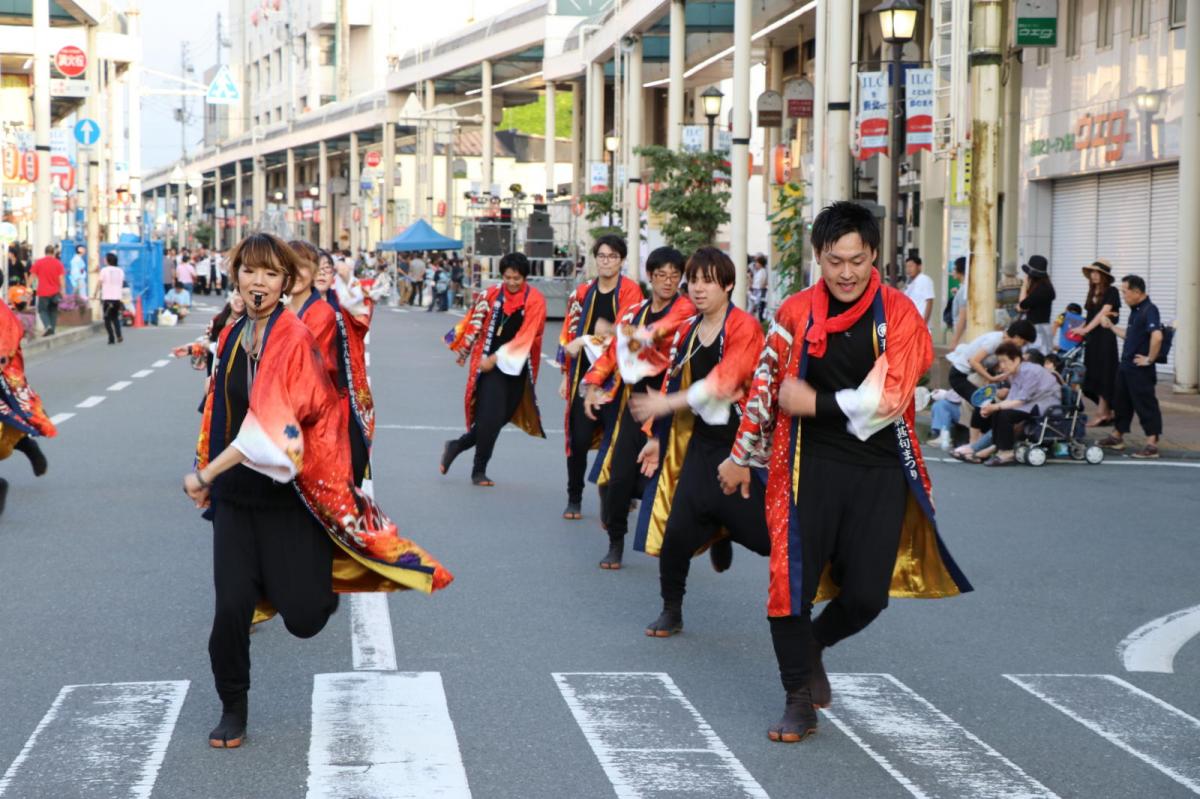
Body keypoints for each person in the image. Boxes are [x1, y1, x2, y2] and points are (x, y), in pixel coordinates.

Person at [183, 232, 452, 750]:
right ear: (235, 275)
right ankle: (232, 706)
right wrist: (207, 476)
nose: (257, 281)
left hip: (290, 498)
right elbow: (219, 411)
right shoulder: (236, 333)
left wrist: (206, 473)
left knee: (305, 618)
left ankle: (317, 580)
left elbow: (272, 424)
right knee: (230, 609)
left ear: (285, 283)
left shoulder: (295, 337)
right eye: (249, 271)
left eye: (269, 273)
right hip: (238, 500)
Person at [717, 201, 972, 743]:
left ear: (874, 255)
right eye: (835, 260)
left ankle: (813, 643)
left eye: (857, 259)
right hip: (805, 465)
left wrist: (816, 402)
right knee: (791, 585)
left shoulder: (900, 314)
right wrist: (740, 457)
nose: (847, 272)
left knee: (867, 596)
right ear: (818, 258)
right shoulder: (793, 312)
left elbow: (892, 396)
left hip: (879, 467)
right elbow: (765, 385)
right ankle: (796, 700)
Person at [628, 246, 769, 638]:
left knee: (765, 539)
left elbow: (728, 378)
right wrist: (656, 437)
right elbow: (673, 380)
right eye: (695, 280)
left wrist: (667, 401)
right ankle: (671, 610)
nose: (698, 288)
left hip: (742, 450)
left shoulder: (744, 327)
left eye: (708, 281)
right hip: (701, 445)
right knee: (675, 534)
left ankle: (723, 531)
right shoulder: (689, 329)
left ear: (727, 285)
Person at [580, 246, 694, 570]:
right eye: (661, 275)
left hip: (673, 405)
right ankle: (616, 541)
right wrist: (592, 385)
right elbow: (611, 354)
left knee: (678, 482)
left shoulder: (685, 312)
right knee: (618, 477)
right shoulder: (633, 314)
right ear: (650, 277)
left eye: (674, 276)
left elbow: (657, 339)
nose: (668, 282)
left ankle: (699, 542)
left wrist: (627, 336)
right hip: (635, 404)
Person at [557, 235, 644, 520]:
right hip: (585, 379)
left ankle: (621, 493)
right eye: (602, 256)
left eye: (613, 256)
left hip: (618, 382)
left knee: (619, 442)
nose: (607, 261)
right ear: (595, 258)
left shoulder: (631, 292)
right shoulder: (583, 292)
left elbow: (625, 335)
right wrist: (564, 376)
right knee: (579, 440)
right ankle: (574, 497)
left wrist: (584, 340)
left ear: (621, 260)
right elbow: (569, 333)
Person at [441, 252, 547, 486]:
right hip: (490, 367)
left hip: (518, 366)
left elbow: (527, 336)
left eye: (516, 278)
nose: (511, 282)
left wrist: (498, 358)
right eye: (507, 277)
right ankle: (479, 470)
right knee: (490, 418)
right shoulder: (490, 295)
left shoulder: (535, 300)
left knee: (500, 418)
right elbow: (473, 320)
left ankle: (458, 445)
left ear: (525, 277)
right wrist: (463, 348)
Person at [316, 249, 376, 487]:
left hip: (347, 390)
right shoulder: (294, 306)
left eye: (327, 268)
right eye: (316, 268)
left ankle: (350, 509)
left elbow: (364, 313)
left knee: (357, 454)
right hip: (314, 396)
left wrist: (348, 279)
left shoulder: (342, 303)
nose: (322, 273)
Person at [1097, 274, 1164, 459]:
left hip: (1140, 369)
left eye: (1125, 292)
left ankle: (1152, 444)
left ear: (1136, 292)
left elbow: (1157, 336)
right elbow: (1130, 335)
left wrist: (1149, 359)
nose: (1123, 296)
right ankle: (1117, 436)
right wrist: (1110, 326)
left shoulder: (1150, 310)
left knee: (1145, 404)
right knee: (1121, 402)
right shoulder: (1136, 311)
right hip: (1126, 366)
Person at [0, 296, 56, 512]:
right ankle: (26, 443)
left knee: (14, 419)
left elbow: (6, 347)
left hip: (5, 379)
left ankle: (27, 440)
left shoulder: (4, 314)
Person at [944, 320, 1037, 448]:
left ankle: (979, 442)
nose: (1022, 346)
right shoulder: (995, 340)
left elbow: (990, 365)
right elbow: (974, 361)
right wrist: (991, 378)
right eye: (1024, 342)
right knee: (982, 402)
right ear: (1017, 337)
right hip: (959, 376)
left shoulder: (1003, 343)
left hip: (970, 375)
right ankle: (973, 444)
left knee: (989, 405)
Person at [978, 343, 1062, 466]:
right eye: (1000, 362)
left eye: (1004, 361)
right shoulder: (1015, 374)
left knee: (1004, 414)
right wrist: (990, 408)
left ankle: (1006, 452)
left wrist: (996, 406)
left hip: (1046, 406)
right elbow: (1012, 398)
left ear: (1016, 359)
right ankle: (998, 447)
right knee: (998, 411)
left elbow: (1020, 400)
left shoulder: (1030, 371)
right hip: (1031, 403)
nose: (1001, 366)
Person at [1072, 259, 1120, 427]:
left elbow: (1103, 314)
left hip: (1105, 338)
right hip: (1093, 339)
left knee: (1105, 373)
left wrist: (1086, 330)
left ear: (1104, 276)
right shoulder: (1092, 291)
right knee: (1092, 375)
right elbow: (1091, 316)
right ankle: (1106, 411)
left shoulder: (1112, 291)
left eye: (1097, 272)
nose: (1093, 275)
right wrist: (1080, 328)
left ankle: (1103, 413)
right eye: (1092, 272)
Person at [287, 241, 340, 391]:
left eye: (302, 266)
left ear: (314, 272)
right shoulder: (276, 308)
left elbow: (309, 369)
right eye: (290, 265)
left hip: (308, 403)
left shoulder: (322, 313)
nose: (295, 273)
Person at [1017, 255, 1056, 353]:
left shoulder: (1041, 290)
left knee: (1035, 359)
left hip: (1036, 330)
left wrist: (1024, 286)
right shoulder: (1046, 288)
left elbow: (1022, 305)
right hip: (1041, 328)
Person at [29, 245, 66, 336]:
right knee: (53, 311)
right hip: (55, 292)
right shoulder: (58, 263)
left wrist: (27, 287)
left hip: (43, 292)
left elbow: (32, 276)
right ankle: (52, 330)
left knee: (42, 310)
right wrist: (63, 291)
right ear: (53, 253)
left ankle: (48, 326)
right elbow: (61, 279)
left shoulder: (39, 263)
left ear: (45, 252)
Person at [94, 252, 125, 345]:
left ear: (108, 260)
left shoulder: (104, 270)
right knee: (115, 318)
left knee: (107, 319)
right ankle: (119, 335)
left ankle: (111, 337)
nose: (104, 260)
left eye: (105, 258)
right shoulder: (120, 271)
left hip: (107, 298)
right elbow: (122, 283)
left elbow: (99, 283)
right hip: (117, 298)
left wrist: (95, 293)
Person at [903, 255, 935, 326]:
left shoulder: (924, 280)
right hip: (910, 324)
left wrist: (924, 323)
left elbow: (929, 301)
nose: (908, 269)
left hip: (920, 325)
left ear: (919, 267)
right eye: (907, 267)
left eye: (911, 266)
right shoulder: (909, 283)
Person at [948, 257, 969, 347]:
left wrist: (955, 340)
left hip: (963, 333)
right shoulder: (964, 288)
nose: (953, 271)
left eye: (954, 268)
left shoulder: (963, 290)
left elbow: (962, 317)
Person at [751, 255, 769, 322]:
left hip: (759, 291)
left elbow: (761, 283)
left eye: (757, 262)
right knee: (755, 307)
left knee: (757, 307)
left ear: (760, 263)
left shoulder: (762, 271)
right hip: (756, 291)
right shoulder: (759, 271)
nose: (755, 264)